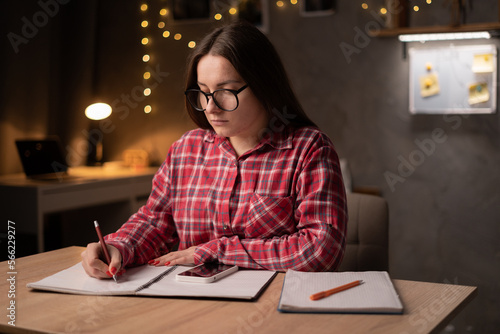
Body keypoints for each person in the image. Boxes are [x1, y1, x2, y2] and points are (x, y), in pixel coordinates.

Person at [81, 21, 347, 279]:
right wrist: (116, 247)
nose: (210, 107)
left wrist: (215, 250)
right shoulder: (186, 150)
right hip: (195, 306)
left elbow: (321, 250)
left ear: (264, 86)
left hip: (272, 311)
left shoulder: (309, 149)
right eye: (203, 92)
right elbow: (154, 223)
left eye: (226, 92)